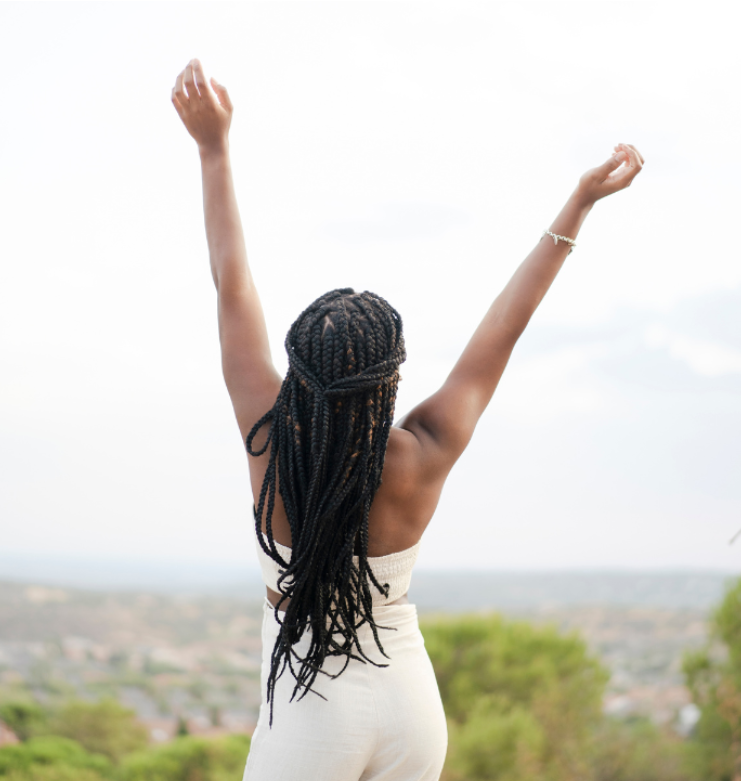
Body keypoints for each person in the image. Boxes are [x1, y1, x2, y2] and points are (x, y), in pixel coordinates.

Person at [171, 58, 645, 781]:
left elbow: (229, 279)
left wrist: (213, 149)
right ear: (390, 380)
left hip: (311, 714)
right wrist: (577, 202)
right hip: (410, 708)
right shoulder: (426, 449)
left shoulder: (271, 440)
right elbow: (503, 329)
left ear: (298, 372)